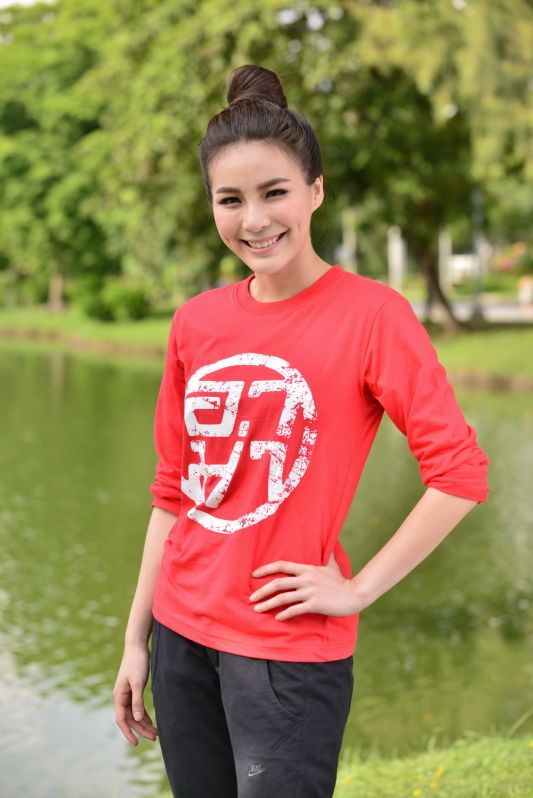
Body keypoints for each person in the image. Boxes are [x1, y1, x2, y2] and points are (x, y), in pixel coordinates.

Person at [112, 64, 489, 798]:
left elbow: (460, 474)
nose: (253, 219)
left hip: (284, 652)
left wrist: (358, 589)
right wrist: (137, 639)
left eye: (274, 192)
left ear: (315, 191)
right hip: (181, 636)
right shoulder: (196, 323)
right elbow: (173, 494)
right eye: (230, 200)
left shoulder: (372, 316)